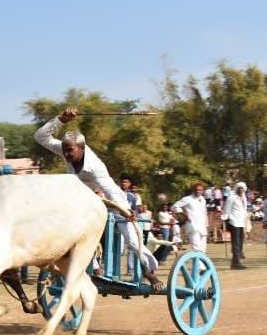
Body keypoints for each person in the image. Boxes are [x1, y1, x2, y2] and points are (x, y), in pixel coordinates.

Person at [34, 107, 163, 290]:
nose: (67, 154)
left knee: (132, 239)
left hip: (108, 202)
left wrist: (125, 211)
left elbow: (113, 191)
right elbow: (40, 137)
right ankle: (93, 269)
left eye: (70, 150)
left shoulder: (95, 167)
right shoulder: (65, 150)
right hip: (84, 203)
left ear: (81, 148)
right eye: (64, 150)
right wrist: (61, 120)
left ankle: (150, 272)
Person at [173, 183, 208, 254]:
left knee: (203, 249)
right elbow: (174, 206)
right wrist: (183, 214)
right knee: (197, 248)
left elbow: (204, 212)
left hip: (202, 226)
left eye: (200, 190)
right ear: (193, 190)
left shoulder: (203, 199)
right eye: (196, 190)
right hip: (193, 226)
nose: (198, 191)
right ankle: (199, 265)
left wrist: (207, 224)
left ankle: (202, 265)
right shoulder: (187, 199)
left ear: (203, 191)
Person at [222, 182, 249, 270]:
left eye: (242, 188)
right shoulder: (231, 198)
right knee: (236, 243)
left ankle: (235, 261)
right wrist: (225, 218)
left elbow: (244, 210)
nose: (241, 190)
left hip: (241, 222)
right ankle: (236, 262)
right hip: (233, 222)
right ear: (236, 189)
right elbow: (226, 209)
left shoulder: (244, 198)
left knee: (240, 242)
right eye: (239, 188)